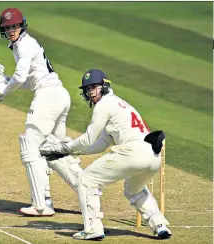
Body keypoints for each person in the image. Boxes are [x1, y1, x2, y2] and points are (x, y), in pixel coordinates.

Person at [40, 69, 172, 240]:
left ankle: (93, 228)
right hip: (153, 156)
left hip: (132, 152)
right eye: (87, 89)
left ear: (104, 86)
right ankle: (160, 225)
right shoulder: (118, 104)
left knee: (86, 180)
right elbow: (99, 144)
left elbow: (88, 139)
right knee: (134, 189)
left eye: (94, 87)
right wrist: (71, 150)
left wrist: (64, 149)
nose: (90, 92)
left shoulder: (104, 105)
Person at [0, 7, 71, 216]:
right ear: (3, 29)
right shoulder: (21, 45)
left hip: (48, 96)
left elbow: (21, 78)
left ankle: (41, 204)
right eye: (8, 27)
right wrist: (5, 79)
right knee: (55, 152)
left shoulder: (24, 46)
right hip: (59, 95)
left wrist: (2, 90)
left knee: (31, 146)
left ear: (22, 25)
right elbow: (29, 81)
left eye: (15, 26)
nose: (12, 30)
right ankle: (89, 194)